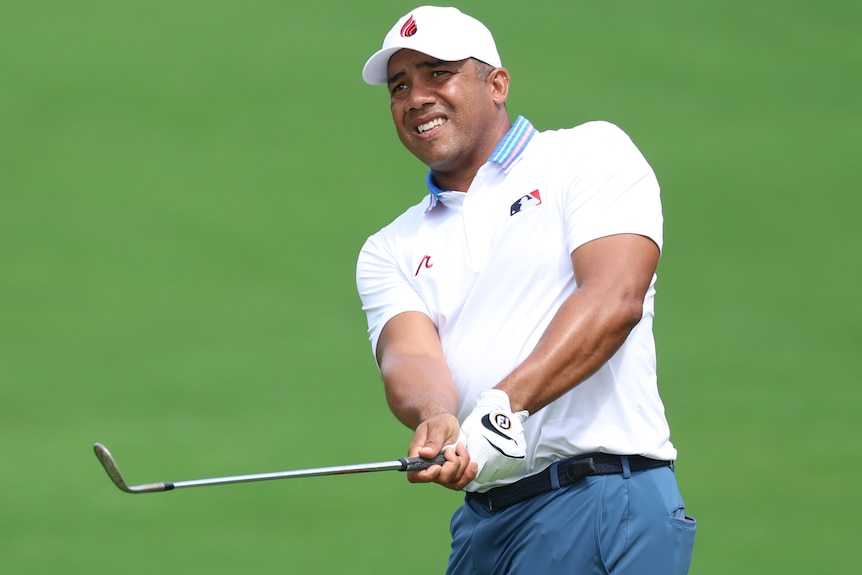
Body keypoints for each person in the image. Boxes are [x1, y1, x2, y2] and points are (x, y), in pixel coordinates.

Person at [356, 6, 696, 574]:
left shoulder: (588, 154)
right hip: (483, 521)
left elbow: (615, 299)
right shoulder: (389, 247)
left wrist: (501, 409)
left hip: (599, 495)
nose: (416, 97)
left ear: (497, 84)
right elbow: (410, 354)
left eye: (438, 73)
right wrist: (436, 415)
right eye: (399, 86)